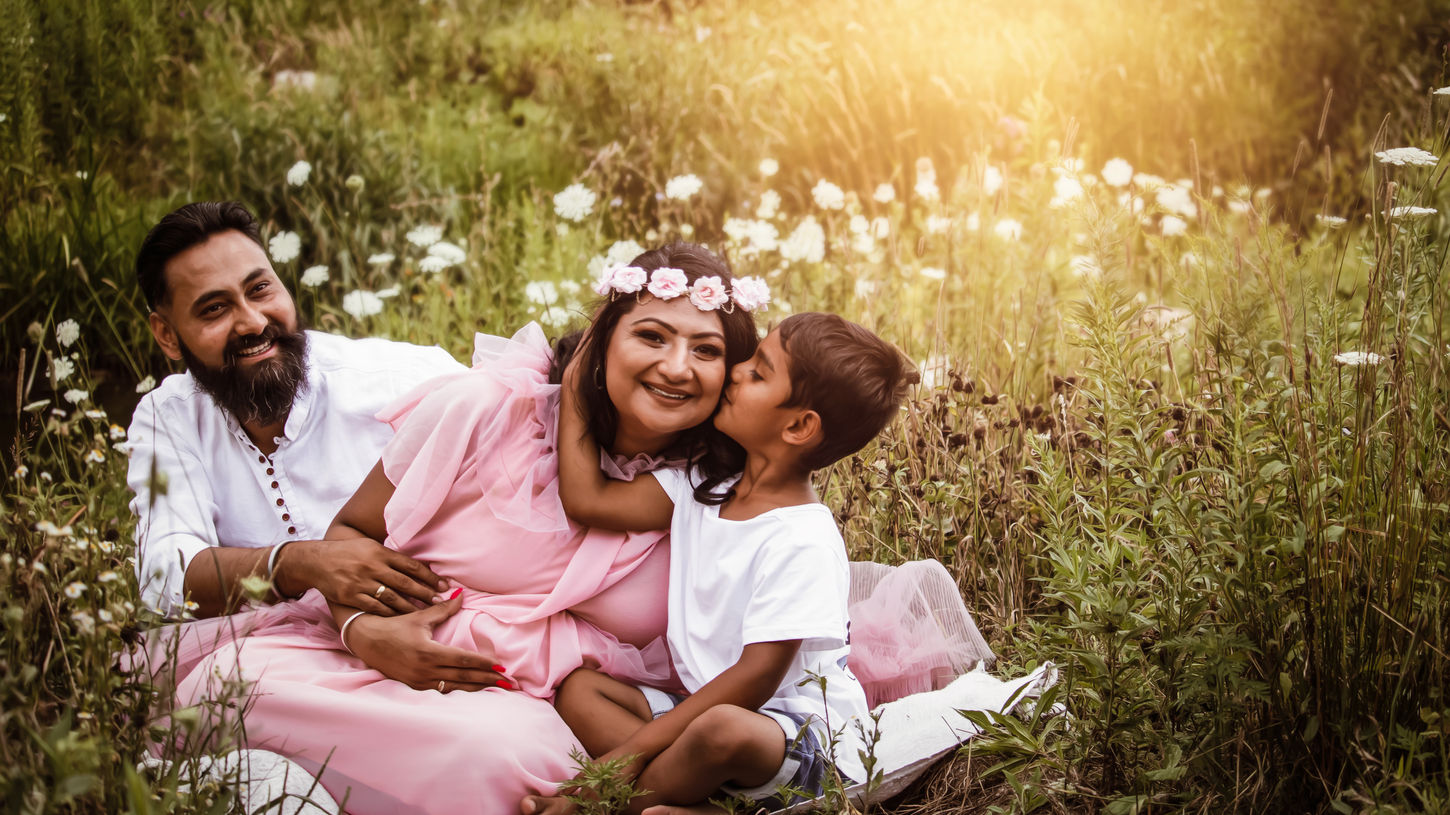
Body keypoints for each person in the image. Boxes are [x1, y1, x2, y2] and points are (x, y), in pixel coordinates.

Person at [155, 244, 763, 814]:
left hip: (566, 715)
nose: (675, 367)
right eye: (651, 336)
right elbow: (351, 535)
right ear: (604, 341)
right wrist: (364, 632)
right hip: (390, 671)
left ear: (732, 372)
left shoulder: (719, 487)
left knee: (500, 757)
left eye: (706, 350)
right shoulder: (488, 408)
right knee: (229, 686)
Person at [525, 309, 918, 814]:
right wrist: (576, 391)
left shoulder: (802, 538)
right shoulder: (701, 486)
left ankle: (596, 806)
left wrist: (625, 758)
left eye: (758, 372)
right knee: (581, 690)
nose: (735, 370)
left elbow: (755, 679)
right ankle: (704, 804)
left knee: (721, 729)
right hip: (702, 713)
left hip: (799, 739)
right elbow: (589, 500)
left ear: (799, 426)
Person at [127, 201, 464, 620]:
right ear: (167, 335)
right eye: (215, 308)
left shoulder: (403, 380)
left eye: (259, 289)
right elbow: (164, 575)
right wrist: (296, 565)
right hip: (270, 648)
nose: (252, 322)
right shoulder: (170, 418)